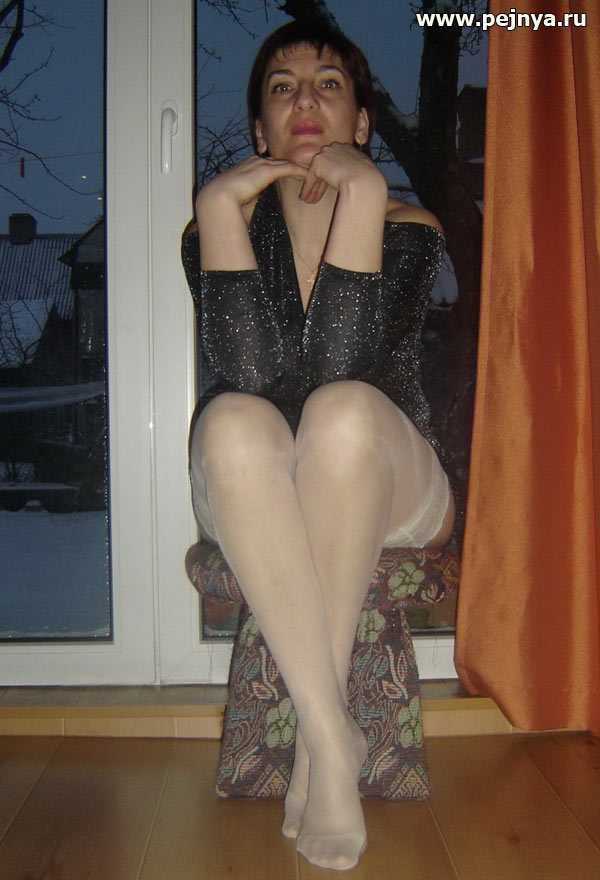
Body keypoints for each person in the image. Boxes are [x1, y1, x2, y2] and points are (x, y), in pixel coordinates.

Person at [182, 20, 455, 872]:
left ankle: (318, 739)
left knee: (340, 411)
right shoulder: (218, 227)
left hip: (391, 475)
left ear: (362, 123)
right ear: (260, 130)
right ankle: (331, 740)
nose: (304, 99)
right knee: (232, 419)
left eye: (329, 84)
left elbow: (345, 370)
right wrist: (215, 211)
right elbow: (252, 380)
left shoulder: (409, 224)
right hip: (252, 478)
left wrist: (363, 195)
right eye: (282, 87)